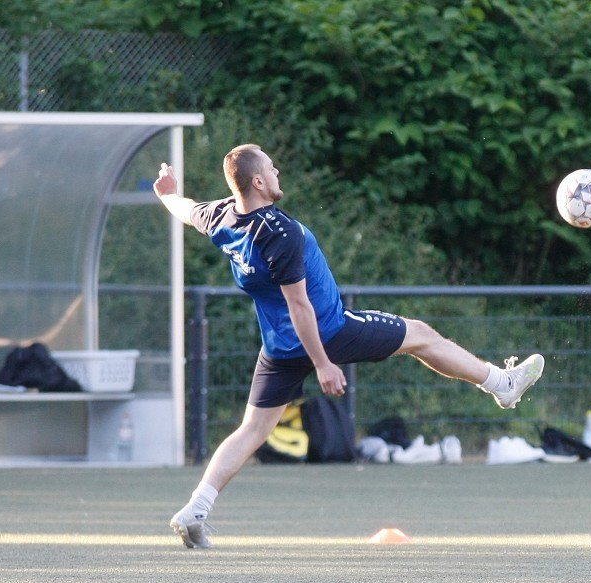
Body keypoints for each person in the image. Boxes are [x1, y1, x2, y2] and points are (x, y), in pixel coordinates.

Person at [153, 144, 545, 548]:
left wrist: (167, 194)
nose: (277, 172)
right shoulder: (278, 233)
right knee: (422, 336)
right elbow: (299, 305)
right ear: (257, 181)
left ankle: (196, 509)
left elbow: (185, 209)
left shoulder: (222, 217)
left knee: (252, 429)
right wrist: (323, 363)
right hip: (329, 331)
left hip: (279, 348)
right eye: (272, 168)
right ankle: (501, 383)